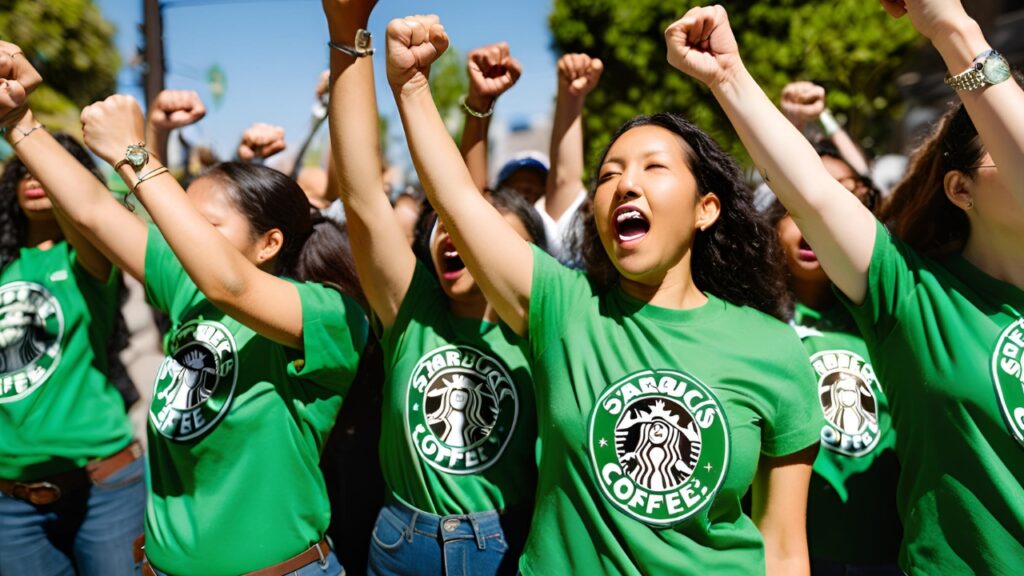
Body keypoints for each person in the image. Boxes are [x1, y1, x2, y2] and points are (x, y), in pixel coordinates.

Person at [385, 14, 820, 575]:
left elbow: (783, 550)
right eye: (609, 174)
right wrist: (413, 88)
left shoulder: (773, 348)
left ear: (705, 210)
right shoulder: (562, 308)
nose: (625, 184)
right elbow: (462, 206)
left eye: (653, 167)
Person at [667, 1, 1023, 573]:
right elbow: (811, 191)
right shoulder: (913, 294)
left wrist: (958, 29)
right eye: (1001, 140)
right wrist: (730, 76)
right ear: (960, 190)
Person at [3, 62, 368, 575]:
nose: (178, 238)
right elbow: (92, 209)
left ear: (269, 244)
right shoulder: (188, 289)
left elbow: (232, 284)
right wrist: (18, 119)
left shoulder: (327, 313)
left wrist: (136, 156)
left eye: (202, 225)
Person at [324, 3, 542, 574]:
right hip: (401, 544)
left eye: (484, 234)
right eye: (444, 224)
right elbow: (365, 198)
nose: (458, 235)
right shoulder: (411, 310)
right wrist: (348, 36)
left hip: (511, 541)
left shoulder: (545, 323)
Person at [0, 130, 145, 576]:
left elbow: (92, 213)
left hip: (106, 487)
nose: (34, 176)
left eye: (45, 167)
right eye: (22, 169)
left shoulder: (87, 256)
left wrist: (25, 130)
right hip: (11, 501)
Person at [765, 143, 902, 573]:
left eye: (830, 208)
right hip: (799, 553)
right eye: (793, 210)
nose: (810, 228)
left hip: (888, 551)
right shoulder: (755, 317)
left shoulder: (888, 312)